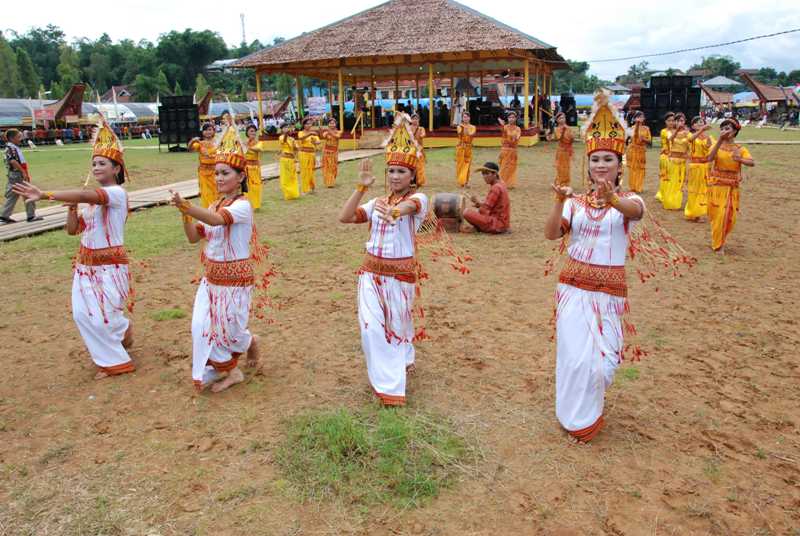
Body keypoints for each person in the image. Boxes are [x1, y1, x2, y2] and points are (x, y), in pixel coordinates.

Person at [543, 92, 645, 443]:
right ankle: (576, 417)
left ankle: (589, 403)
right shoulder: (575, 202)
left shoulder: (630, 200)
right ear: (588, 164)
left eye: (608, 159)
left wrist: (611, 197)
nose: (601, 165)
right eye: (595, 159)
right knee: (574, 358)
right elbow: (551, 234)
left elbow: (636, 213)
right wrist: (559, 202)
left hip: (609, 294)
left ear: (620, 165)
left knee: (604, 364)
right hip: (573, 287)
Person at [13, 119, 135, 379]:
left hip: (109, 266)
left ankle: (115, 359)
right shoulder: (93, 201)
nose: (97, 167)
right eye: (94, 163)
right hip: (85, 265)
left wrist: (45, 194)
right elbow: (72, 230)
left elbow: (87, 196)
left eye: (102, 163)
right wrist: (70, 208)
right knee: (83, 314)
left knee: (102, 315)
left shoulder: (116, 194)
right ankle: (122, 333)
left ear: (116, 168)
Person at [338, 115, 428, 406]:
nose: (395, 176)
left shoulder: (420, 200)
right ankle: (390, 386)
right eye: (391, 170)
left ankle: (403, 357)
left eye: (401, 171)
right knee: (371, 327)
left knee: (397, 326)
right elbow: (346, 217)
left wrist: (395, 211)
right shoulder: (375, 202)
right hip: (370, 274)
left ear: (412, 175)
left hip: (399, 276)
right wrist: (361, 188)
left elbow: (408, 206)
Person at [170, 124, 261, 392]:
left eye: (225, 173)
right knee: (202, 326)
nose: (219, 178)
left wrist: (190, 207)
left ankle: (247, 345)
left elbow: (218, 222)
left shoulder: (243, 206)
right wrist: (185, 215)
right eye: (216, 173)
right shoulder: (212, 205)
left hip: (235, 279)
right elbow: (193, 237)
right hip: (211, 278)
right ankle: (231, 370)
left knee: (228, 329)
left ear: (240, 175)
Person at [704, 118, 754, 253]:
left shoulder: (740, 149)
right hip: (717, 186)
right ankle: (718, 244)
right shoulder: (716, 145)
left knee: (730, 217)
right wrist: (719, 140)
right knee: (719, 215)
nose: (724, 131)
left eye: (728, 128)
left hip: (732, 187)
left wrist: (740, 159)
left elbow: (751, 162)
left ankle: (720, 241)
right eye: (723, 128)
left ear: (735, 131)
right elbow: (709, 158)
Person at [2, 129, 43, 224]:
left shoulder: (10, 147)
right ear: (12, 138)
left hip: (13, 174)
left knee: (13, 195)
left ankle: (4, 216)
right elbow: (13, 161)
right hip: (18, 174)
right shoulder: (12, 148)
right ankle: (31, 215)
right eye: (18, 137)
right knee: (29, 192)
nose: (20, 139)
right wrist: (23, 172)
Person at [463, 161, 511, 233]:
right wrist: (479, 203)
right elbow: (490, 206)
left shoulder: (496, 188)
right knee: (475, 213)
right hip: (503, 223)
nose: (484, 176)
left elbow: (484, 210)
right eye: (483, 174)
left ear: (495, 174)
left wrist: (478, 204)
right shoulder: (502, 184)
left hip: (497, 224)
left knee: (466, 213)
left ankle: (481, 228)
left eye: (487, 173)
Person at [684, 116, 714, 221]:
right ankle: (694, 213)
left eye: (702, 122)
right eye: (697, 123)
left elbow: (711, 151)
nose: (700, 124)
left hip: (705, 167)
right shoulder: (691, 135)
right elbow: (690, 139)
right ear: (693, 126)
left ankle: (699, 212)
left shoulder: (708, 137)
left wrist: (709, 145)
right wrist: (702, 130)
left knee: (704, 190)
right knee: (695, 189)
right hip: (695, 167)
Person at [663, 113, 690, 210]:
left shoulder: (687, 133)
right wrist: (678, 130)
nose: (680, 123)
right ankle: (669, 202)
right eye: (678, 121)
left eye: (682, 121)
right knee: (672, 182)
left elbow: (691, 142)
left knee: (680, 182)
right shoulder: (670, 132)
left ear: (685, 122)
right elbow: (670, 139)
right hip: (673, 161)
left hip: (683, 162)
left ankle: (676, 203)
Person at [188, 123, 218, 208]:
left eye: (210, 129)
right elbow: (190, 149)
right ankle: (208, 211)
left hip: (216, 171)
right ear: (202, 132)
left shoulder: (218, 142)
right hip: (204, 173)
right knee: (206, 192)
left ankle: (216, 209)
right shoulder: (200, 143)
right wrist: (193, 141)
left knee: (217, 191)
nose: (208, 132)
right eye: (205, 130)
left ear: (213, 131)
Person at [244, 124, 269, 210]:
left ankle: (255, 205)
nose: (253, 133)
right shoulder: (243, 143)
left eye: (254, 131)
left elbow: (259, 149)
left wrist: (247, 147)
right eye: (251, 131)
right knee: (246, 186)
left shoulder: (259, 143)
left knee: (255, 186)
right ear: (247, 133)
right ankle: (247, 205)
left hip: (254, 168)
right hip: (245, 168)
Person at [625, 111, 651, 193]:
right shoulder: (631, 128)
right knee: (633, 169)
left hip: (641, 150)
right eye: (638, 117)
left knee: (641, 168)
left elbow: (649, 140)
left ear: (644, 119)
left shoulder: (646, 128)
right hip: (633, 150)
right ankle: (632, 187)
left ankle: (639, 187)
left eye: (641, 117)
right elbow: (633, 138)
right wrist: (636, 127)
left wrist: (644, 139)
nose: (640, 118)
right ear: (634, 119)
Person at [550, 112, 575, 187]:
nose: (562, 119)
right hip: (561, 151)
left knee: (567, 167)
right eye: (560, 118)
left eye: (563, 118)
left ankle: (565, 182)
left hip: (567, 150)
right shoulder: (557, 129)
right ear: (557, 120)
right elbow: (559, 138)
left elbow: (571, 139)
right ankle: (559, 182)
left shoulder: (569, 128)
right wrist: (563, 130)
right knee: (560, 167)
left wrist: (571, 138)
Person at [655, 112, 675, 204]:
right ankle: (663, 194)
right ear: (665, 122)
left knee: (673, 177)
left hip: (675, 157)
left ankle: (670, 193)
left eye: (673, 120)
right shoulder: (664, 131)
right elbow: (669, 140)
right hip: (666, 156)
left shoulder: (678, 131)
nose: (671, 122)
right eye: (669, 121)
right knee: (665, 176)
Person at [497, 112, 521, 189]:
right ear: (507, 118)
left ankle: (509, 183)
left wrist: (515, 137)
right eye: (510, 117)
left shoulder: (517, 128)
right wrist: (502, 126)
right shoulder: (505, 127)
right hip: (505, 150)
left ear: (515, 119)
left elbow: (517, 137)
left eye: (513, 117)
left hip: (513, 150)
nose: (511, 119)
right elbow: (504, 133)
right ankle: (501, 182)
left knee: (511, 167)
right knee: (503, 167)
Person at [296, 117, 320, 194]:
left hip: (312, 154)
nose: (309, 125)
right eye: (307, 124)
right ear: (303, 125)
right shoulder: (301, 133)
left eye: (310, 123)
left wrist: (315, 142)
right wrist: (309, 134)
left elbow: (318, 142)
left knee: (311, 171)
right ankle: (305, 189)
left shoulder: (313, 134)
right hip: (303, 153)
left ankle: (312, 187)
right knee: (304, 171)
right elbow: (301, 138)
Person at [277, 124, 300, 200]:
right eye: (284, 127)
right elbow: (283, 140)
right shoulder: (281, 137)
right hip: (285, 159)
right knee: (285, 177)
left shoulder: (292, 139)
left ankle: (293, 193)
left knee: (292, 177)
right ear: (281, 130)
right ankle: (288, 194)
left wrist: (296, 147)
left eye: (287, 127)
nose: (286, 128)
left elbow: (296, 148)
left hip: (291, 160)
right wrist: (286, 134)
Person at [455, 111, 476, 187]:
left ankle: (465, 181)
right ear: (462, 118)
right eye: (464, 117)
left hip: (468, 148)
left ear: (469, 118)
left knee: (467, 165)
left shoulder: (473, 127)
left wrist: (466, 128)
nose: (465, 118)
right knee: (460, 165)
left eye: (467, 117)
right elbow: (460, 133)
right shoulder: (459, 126)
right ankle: (461, 181)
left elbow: (471, 134)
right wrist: (463, 128)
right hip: (461, 147)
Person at [321, 118, 343, 188]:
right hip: (326, 152)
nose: (332, 125)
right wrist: (321, 131)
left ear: (336, 124)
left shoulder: (339, 132)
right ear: (328, 124)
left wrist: (330, 132)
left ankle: (332, 180)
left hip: (334, 152)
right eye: (330, 123)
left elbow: (337, 137)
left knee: (334, 168)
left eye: (333, 123)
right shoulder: (326, 132)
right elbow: (324, 136)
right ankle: (329, 182)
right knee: (327, 167)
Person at [410, 114, 427, 187]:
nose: (415, 120)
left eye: (416, 119)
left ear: (419, 120)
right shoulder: (408, 128)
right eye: (413, 119)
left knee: (420, 166)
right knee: (411, 165)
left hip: (419, 149)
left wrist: (421, 135)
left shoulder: (421, 128)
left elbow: (423, 135)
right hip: (411, 149)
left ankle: (419, 181)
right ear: (411, 120)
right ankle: (411, 180)